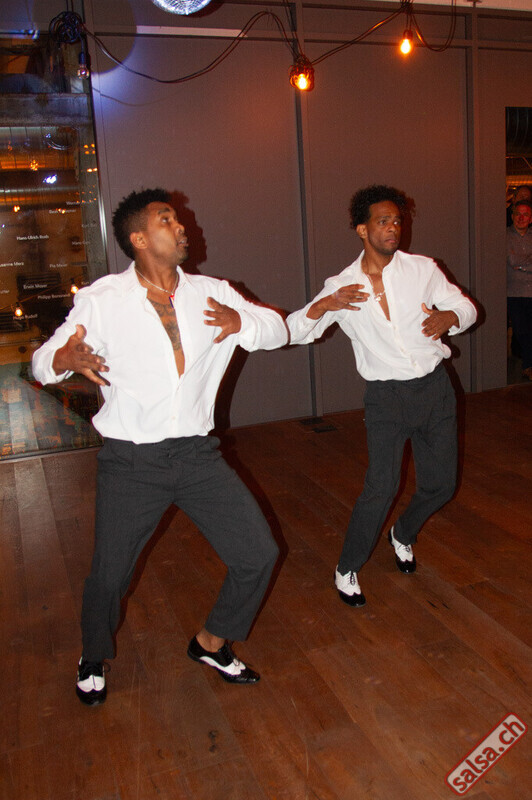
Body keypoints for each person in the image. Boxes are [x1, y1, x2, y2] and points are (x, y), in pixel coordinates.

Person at [32, 188, 288, 704]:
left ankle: (211, 642)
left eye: (178, 217)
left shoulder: (213, 292)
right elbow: (42, 362)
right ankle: (92, 654)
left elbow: (278, 330)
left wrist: (242, 321)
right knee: (110, 575)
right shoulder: (104, 300)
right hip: (132, 460)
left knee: (259, 554)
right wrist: (66, 357)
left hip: (197, 455)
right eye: (167, 219)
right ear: (139, 238)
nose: (181, 225)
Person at [287, 185, 477, 607]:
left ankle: (402, 533)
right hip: (386, 398)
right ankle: (347, 567)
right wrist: (324, 306)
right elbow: (296, 330)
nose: (393, 228)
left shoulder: (422, 269)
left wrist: (451, 315)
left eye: (397, 221)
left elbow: (466, 307)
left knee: (442, 485)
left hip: (435, 389)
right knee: (381, 487)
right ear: (362, 229)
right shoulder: (342, 285)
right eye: (383, 221)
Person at [507, 199, 532, 380]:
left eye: (525, 215)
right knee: (522, 330)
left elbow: (517, 262)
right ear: (512, 216)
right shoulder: (505, 236)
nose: (521, 218)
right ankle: (528, 365)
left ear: (531, 218)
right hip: (514, 292)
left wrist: (522, 265)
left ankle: (528, 365)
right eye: (518, 214)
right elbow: (513, 261)